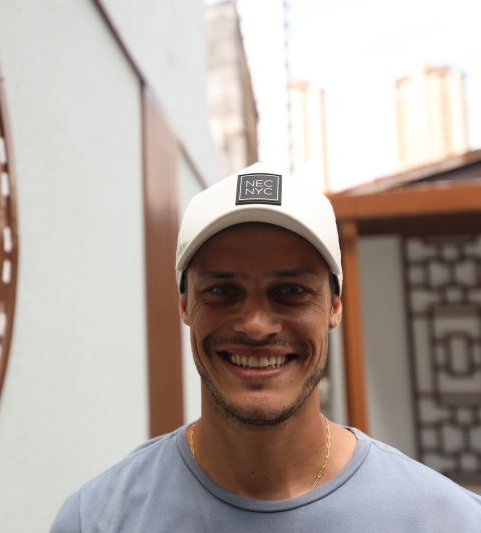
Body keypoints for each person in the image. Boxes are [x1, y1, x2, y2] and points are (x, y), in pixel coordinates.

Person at [50, 163, 481, 532]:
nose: (256, 327)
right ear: (185, 305)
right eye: (222, 290)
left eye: (290, 290)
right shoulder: (98, 519)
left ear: (334, 306)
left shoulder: (448, 520)